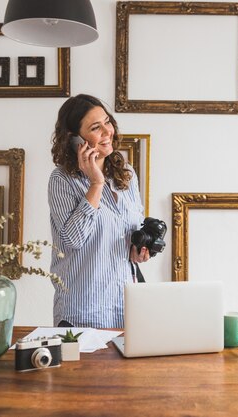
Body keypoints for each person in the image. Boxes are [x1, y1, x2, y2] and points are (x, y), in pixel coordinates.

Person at [48, 94, 150, 328]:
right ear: (75, 139)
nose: (107, 131)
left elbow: (134, 228)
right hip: (82, 312)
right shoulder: (62, 180)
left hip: (125, 311)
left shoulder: (127, 174)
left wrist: (139, 249)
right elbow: (71, 240)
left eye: (107, 121)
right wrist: (96, 183)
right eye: (96, 127)